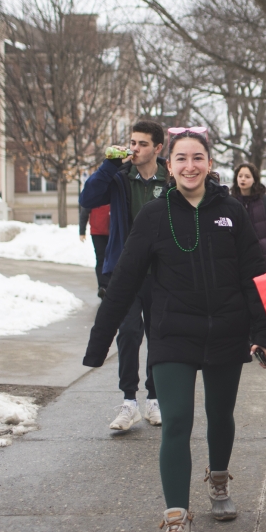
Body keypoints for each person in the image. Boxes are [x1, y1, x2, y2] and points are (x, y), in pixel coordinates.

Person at [82, 129, 266, 532]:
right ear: (170, 165)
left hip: (227, 331)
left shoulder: (231, 212)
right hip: (173, 334)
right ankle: (175, 521)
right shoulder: (153, 214)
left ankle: (220, 480)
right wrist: (99, 344)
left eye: (198, 157)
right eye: (181, 158)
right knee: (177, 422)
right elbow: (124, 280)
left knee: (220, 415)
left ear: (210, 163)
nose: (190, 166)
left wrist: (264, 335)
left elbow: (255, 276)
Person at [79, 120, 168, 430]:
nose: (135, 149)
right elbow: (88, 199)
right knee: (128, 333)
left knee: (158, 334)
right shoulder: (118, 177)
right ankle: (128, 401)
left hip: (160, 272)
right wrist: (108, 166)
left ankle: (154, 399)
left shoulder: (169, 178)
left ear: (158, 148)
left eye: (143, 144)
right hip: (125, 270)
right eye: (132, 142)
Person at [232, 163, 266, 270]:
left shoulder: (264, 200)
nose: (243, 179)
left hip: (264, 258)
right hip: (239, 258)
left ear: (254, 179)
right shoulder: (230, 201)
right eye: (240, 176)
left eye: (247, 176)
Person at [79, 204, 112, 297]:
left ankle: (111, 285)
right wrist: (82, 231)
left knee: (112, 259)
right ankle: (103, 286)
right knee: (101, 259)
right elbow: (84, 212)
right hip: (97, 232)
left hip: (112, 231)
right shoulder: (94, 193)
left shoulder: (113, 191)